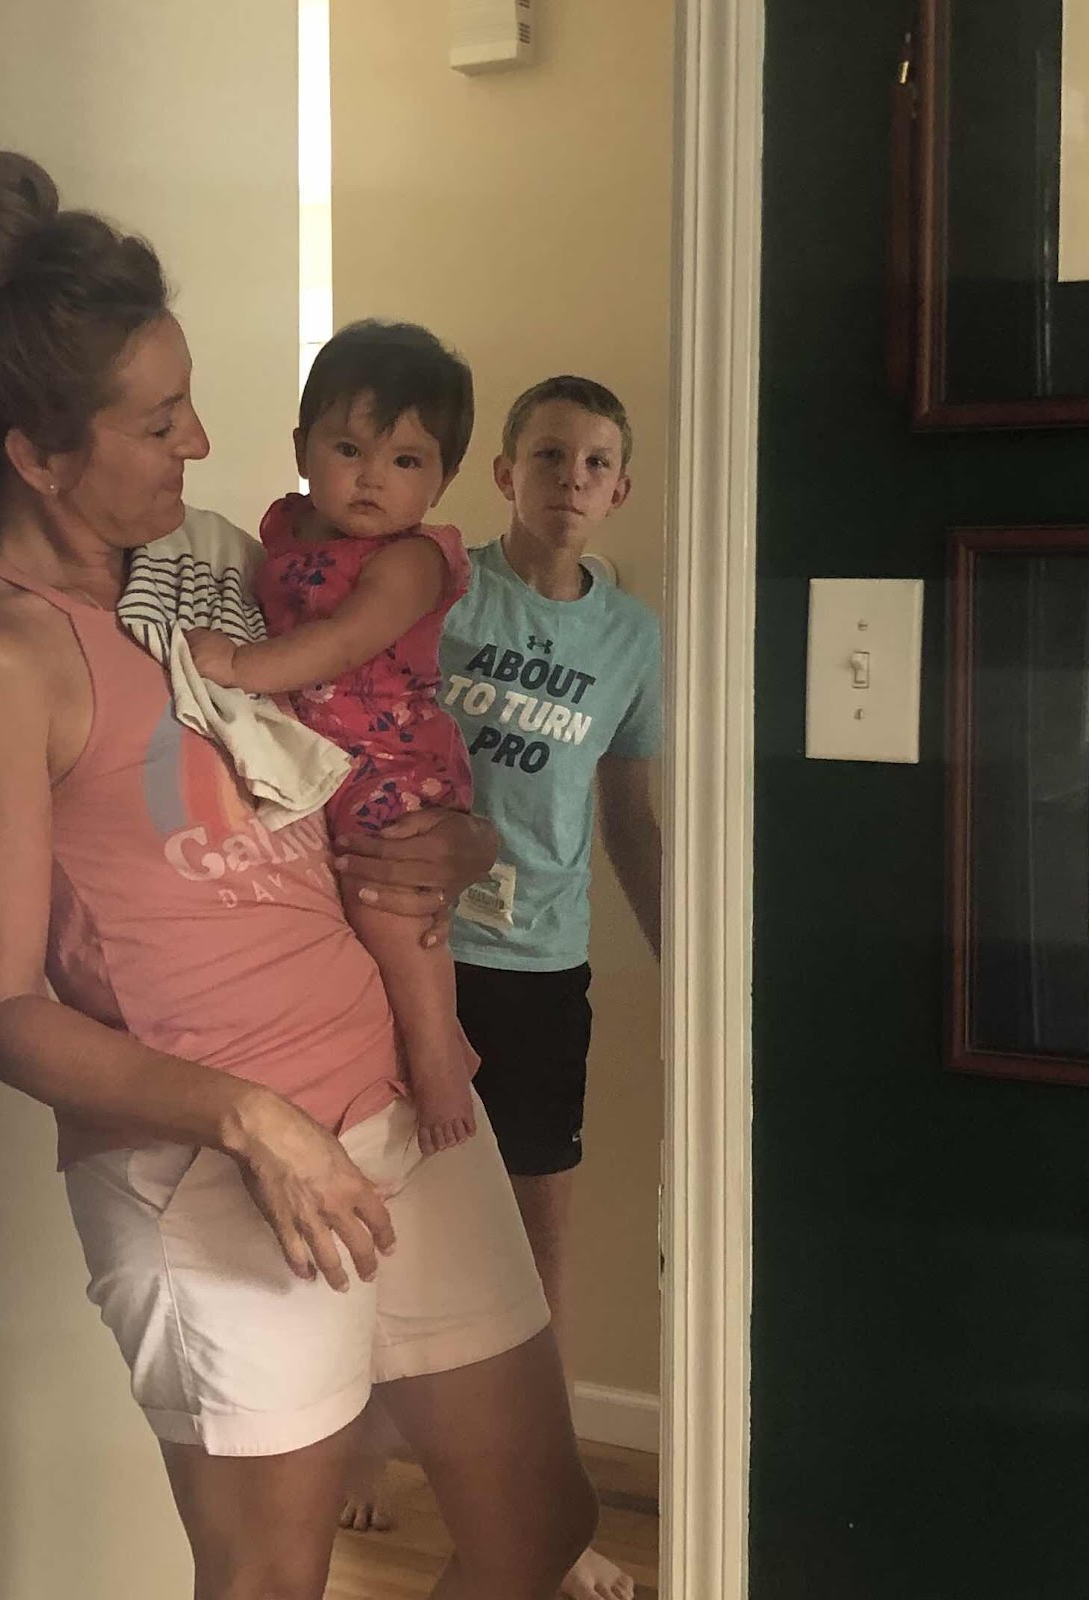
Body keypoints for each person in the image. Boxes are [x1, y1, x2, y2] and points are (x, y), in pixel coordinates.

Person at [0, 151, 599, 1600]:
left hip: (401, 1105)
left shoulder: (210, 570)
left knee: (541, 1527)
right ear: (38, 455)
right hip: (211, 1173)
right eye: (159, 421)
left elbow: (367, 743)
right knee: (271, 1576)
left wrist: (461, 842)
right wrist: (251, 1120)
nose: (202, 440)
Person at [445, 375, 663, 1600]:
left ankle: (547, 1513)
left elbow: (628, 817)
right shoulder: (439, 588)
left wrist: (685, 971)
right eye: (547, 456)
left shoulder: (631, 639)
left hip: (541, 969)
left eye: (593, 463)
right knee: (385, 1217)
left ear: (618, 489)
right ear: (505, 474)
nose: (569, 479)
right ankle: (369, 1443)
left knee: (537, 1252)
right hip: (410, 956)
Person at [185, 320, 479, 1155]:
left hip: (391, 757)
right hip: (323, 753)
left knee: (388, 902)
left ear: (443, 480)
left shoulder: (412, 560)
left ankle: (440, 1057)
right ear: (302, 449)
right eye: (349, 449)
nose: (372, 478)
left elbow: (346, 641)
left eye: (407, 461)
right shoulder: (283, 531)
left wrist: (241, 665)